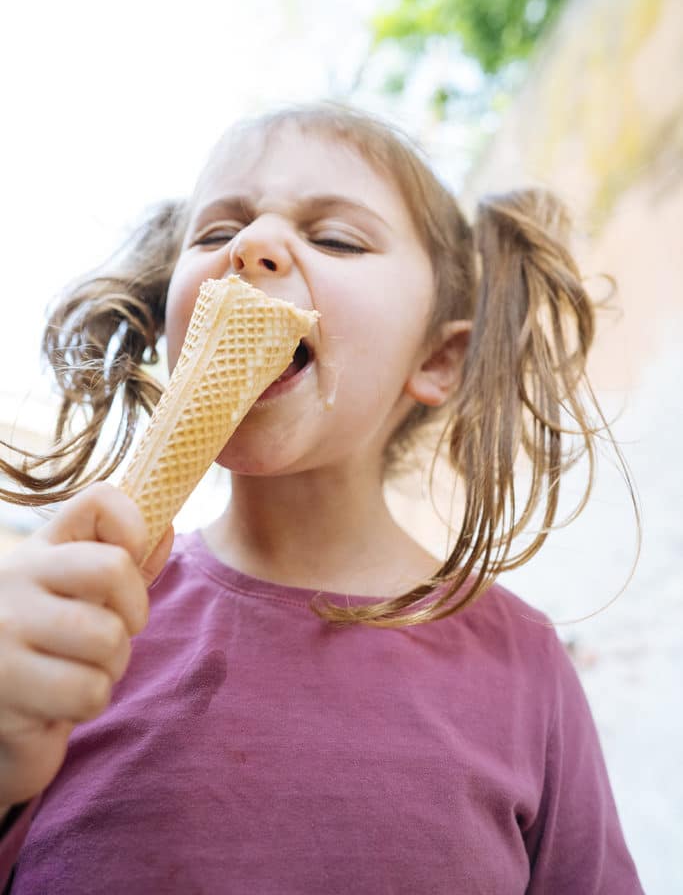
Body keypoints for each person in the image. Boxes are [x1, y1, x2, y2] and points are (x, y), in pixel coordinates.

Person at [0, 103, 643, 893]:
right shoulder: (72, 623)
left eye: (335, 237)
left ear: (440, 359)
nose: (253, 245)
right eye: (213, 235)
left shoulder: (526, 665)